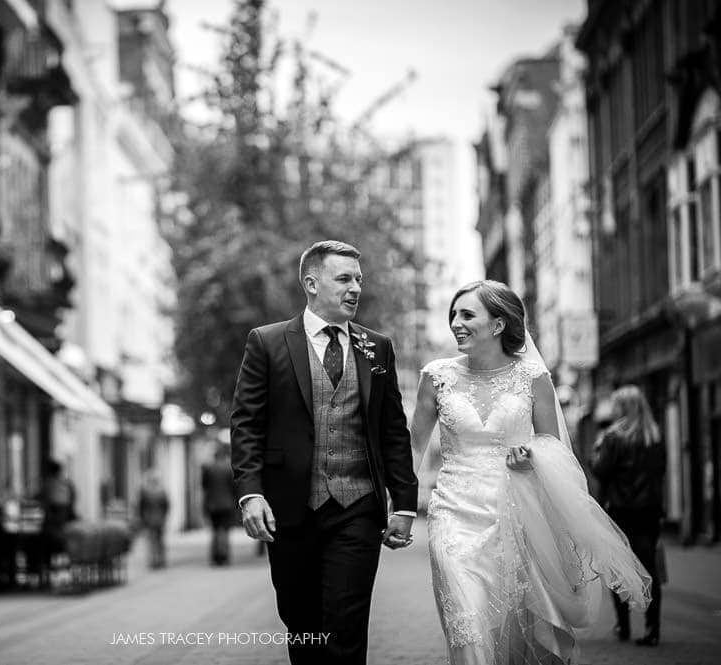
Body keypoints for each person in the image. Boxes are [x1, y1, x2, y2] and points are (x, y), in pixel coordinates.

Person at [409, 280, 651, 665]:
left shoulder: (532, 377)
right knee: (466, 618)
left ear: (498, 324)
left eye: (467, 314)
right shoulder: (437, 376)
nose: (455, 322)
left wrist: (531, 455)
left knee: (515, 620)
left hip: (515, 513)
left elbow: (552, 447)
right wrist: (401, 509)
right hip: (452, 514)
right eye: (453, 314)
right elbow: (414, 448)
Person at [231, 240, 418, 665]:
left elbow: (393, 431)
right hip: (290, 509)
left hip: (357, 509)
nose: (355, 288)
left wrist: (404, 503)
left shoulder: (378, 348)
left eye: (358, 279)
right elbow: (246, 424)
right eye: (344, 279)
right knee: (302, 625)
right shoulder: (267, 342)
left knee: (346, 626)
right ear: (312, 284)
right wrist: (251, 492)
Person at [590, 385, 666, 647]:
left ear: (623, 408)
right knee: (650, 567)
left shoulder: (613, 437)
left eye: (616, 406)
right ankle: (653, 629)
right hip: (649, 511)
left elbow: (600, 470)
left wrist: (597, 450)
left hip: (621, 510)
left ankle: (623, 625)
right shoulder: (654, 436)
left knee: (618, 567)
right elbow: (661, 473)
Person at [201, 444, 237, 566]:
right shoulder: (228, 468)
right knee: (225, 531)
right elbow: (233, 487)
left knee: (215, 530)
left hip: (212, 505)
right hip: (227, 504)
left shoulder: (208, 468)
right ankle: (224, 555)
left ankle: (216, 556)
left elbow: (204, 486)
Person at [137, 471, 170, 569]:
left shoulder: (145, 492)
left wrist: (142, 518)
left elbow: (141, 507)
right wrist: (164, 516)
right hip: (160, 519)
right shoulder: (162, 492)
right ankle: (161, 560)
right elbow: (167, 506)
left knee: (152, 541)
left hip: (149, 519)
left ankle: (153, 561)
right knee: (159, 541)